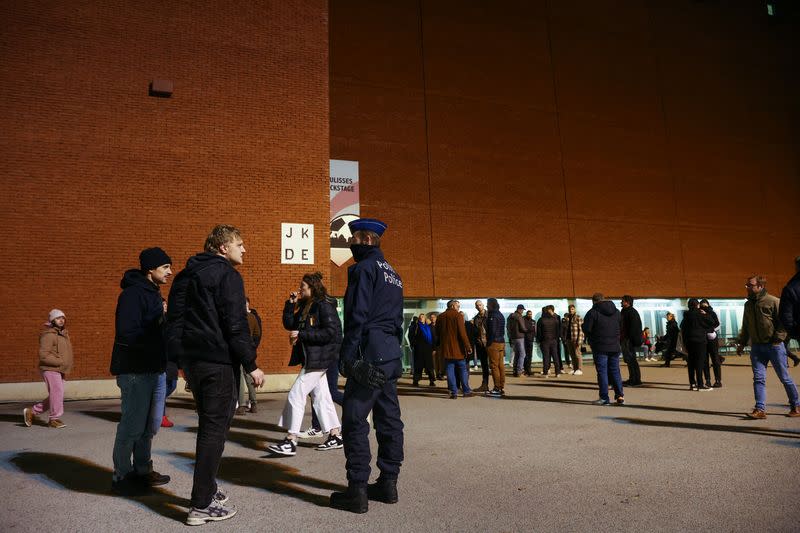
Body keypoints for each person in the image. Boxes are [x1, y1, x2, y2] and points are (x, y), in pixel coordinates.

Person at [166, 225, 265, 525]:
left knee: (212, 427)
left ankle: (206, 488)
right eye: (240, 244)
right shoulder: (228, 276)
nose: (244, 249)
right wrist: (251, 364)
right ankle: (201, 504)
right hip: (218, 363)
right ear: (223, 248)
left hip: (196, 364)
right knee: (214, 430)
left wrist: (182, 362)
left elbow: (173, 324)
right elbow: (235, 325)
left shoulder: (185, 276)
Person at [330, 218, 405, 514]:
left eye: (355, 238)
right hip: (389, 353)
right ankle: (388, 483)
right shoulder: (393, 274)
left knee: (354, 420)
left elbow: (357, 315)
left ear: (367, 239)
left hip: (368, 352)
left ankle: (357, 490)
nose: (352, 244)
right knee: (389, 420)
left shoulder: (363, 269)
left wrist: (348, 358)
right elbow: (397, 320)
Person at [108, 247, 173, 496]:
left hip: (155, 369)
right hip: (135, 371)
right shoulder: (132, 295)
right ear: (151, 269)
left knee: (150, 426)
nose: (170, 272)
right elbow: (128, 332)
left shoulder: (154, 293)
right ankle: (121, 476)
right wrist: (159, 320)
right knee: (132, 427)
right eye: (165, 267)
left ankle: (143, 470)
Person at [269, 272, 343, 456]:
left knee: (296, 394)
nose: (300, 289)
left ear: (312, 288)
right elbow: (289, 324)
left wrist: (302, 335)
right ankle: (335, 435)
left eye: (303, 286)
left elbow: (331, 333)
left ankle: (290, 440)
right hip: (312, 358)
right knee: (321, 397)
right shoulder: (306, 307)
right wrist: (290, 304)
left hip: (320, 359)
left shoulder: (324, 306)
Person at [736, 275, 799, 419]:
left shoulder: (774, 301)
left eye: (750, 285)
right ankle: (760, 409)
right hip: (757, 347)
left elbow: (784, 321)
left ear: (760, 286)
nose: (747, 287)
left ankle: (796, 405)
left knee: (784, 377)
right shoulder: (748, 305)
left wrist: (779, 338)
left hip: (774, 346)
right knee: (758, 379)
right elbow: (746, 325)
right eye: (747, 285)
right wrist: (742, 343)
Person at [24, 309, 73, 429]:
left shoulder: (63, 334)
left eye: (62, 318)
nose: (61, 320)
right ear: (52, 320)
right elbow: (43, 355)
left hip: (60, 369)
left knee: (56, 394)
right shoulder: (48, 335)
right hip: (50, 368)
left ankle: (32, 412)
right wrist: (60, 361)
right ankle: (54, 419)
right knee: (57, 393)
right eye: (58, 318)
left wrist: (65, 364)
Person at [582, 293, 624, 405]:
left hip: (600, 346)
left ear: (593, 301)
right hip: (615, 345)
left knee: (602, 372)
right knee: (615, 371)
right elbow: (621, 326)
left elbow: (587, 328)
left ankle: (604, 398)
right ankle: (620, 395)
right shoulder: (616, 312)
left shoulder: (592, 313)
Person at [436, 300, 474, 399]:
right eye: (458, 306)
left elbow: (437, 333)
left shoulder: (441, 317)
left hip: (446, 349)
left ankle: (453, 391)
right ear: (452, 306)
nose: (459, 308)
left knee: (450, 370)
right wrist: (468, 346)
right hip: (458, 349)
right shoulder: (458, 316)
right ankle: (466, 390)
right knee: (462, 369)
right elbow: (462, 333)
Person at [236, 297, 262, 415]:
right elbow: (257, 333)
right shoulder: (253, 317)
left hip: (238, 349)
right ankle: (254, 403)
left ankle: (241, 405)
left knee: (240, 377)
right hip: (250, 350)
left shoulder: (237, 318)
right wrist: (253, 345)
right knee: (249, 376)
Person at [680, 299, 714, 391]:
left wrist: (685, 342)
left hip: (689, 341)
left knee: (691, 363)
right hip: (700, 341)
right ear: (697, 305)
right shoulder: (700, 314)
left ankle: (692, 384)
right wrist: (705, 313)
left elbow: (682, 328)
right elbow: (712, 322)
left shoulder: (686, 316)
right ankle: (700, 384)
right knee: (700, 362)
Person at [779, 256, 800, 367]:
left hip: (787, 331)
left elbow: (785, 317)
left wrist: (795, 333)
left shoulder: (791, 288)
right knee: (783, 346)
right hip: (788, 331)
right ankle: (789, 360)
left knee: (782, 346)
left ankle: (790, 360)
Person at [483, 298, 506, 397]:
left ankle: (497, 387)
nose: (487, 306)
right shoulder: (500, 314)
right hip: (501, 341)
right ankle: (501, 386)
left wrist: (488, 343)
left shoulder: (492, 315)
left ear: (491, 304)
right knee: (501, 366)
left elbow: (492, 330)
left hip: (494, 343)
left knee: (494, 366)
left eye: (487, 304)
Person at [620, 295, 643, 386]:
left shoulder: (632, 312)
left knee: (631, 359)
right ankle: (633, 378)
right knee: (629, 360)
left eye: (622, 301)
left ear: (627, 302)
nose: (621, 302)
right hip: (625, 339)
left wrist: (630, 339)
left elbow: (634, 327)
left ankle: (635, 380)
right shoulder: (624, 311)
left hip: (628, 339)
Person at [699, 299, 722, 387]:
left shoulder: (712, 312)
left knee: (715, 359)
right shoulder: (699, 313)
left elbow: (717, 323)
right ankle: (707, 380)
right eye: (702, 305)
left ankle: (718, 380)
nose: (704, 306)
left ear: (708, 305)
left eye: (705, 305)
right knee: (705, 360)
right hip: (703, 338)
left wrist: (711, 330)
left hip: (712, 338)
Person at [536, 306, 562, 377]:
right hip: (554, 340)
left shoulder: (541, 320)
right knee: (555, 356)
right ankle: (557, 372)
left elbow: (539, 333)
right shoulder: (555, 320)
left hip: (545, 341)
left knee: (546, 357)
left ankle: (545, 373)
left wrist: (539, 341)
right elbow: (558, 331)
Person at [411, 314, 435, 387]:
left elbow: (433, 338)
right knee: (418, 366)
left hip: (428, 349)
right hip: (419, 349)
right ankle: (416, 381)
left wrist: (434, 348)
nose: (421, 318)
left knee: (429, 366)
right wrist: (414, 345)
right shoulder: (416, 326)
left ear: (425, 319)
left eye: (423, 317)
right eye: (420, 317)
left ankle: (431, 381)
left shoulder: (429, 327)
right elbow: (412, 337)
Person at [472, 300, 490, 392]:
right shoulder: (476, 318)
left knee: (494, 366)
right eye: (477, 305)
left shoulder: (489, 316)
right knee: (484, 366)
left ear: (483, 306)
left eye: (480, 305)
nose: (479, 306)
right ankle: (485, 384)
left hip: (490, 344)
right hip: (481, 345)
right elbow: (475, 332)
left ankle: (497, 386)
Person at [507, 304, 527, 377]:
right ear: (519, 309)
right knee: (522, 355)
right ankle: (519, 371)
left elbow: (508, 328)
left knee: (517, 355)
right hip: (520, 337)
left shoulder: (510, 317)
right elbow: (522, 328)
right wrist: (527, 330)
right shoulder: (519, 317)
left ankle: (515, 371)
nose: (522, 311)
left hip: (513, 338)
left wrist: (510, 337)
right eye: (522, 310)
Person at [564, 305, 585, 375]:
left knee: (577, 354)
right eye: (570, 309)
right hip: (569, 339)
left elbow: (581, 330)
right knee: (572, 355)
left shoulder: (578, 317)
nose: (571, 311)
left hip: (576, 339)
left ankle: (580, 369)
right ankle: (575, 368)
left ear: (575, 310)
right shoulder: (567, 318)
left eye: (572, 309)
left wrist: (579, 340)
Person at [523, 310, 536, 376]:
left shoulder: (533, 321)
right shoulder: (523, 320)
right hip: (524, 340)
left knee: (530, 356)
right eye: (528, 314)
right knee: (525, 356)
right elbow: (524, 329)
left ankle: (529, 370)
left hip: (530, 340)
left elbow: (534, 330)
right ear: (526, 314)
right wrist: (529, 330)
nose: (530, 315)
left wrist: (534, 336)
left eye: (531, 314)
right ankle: (526, 370)